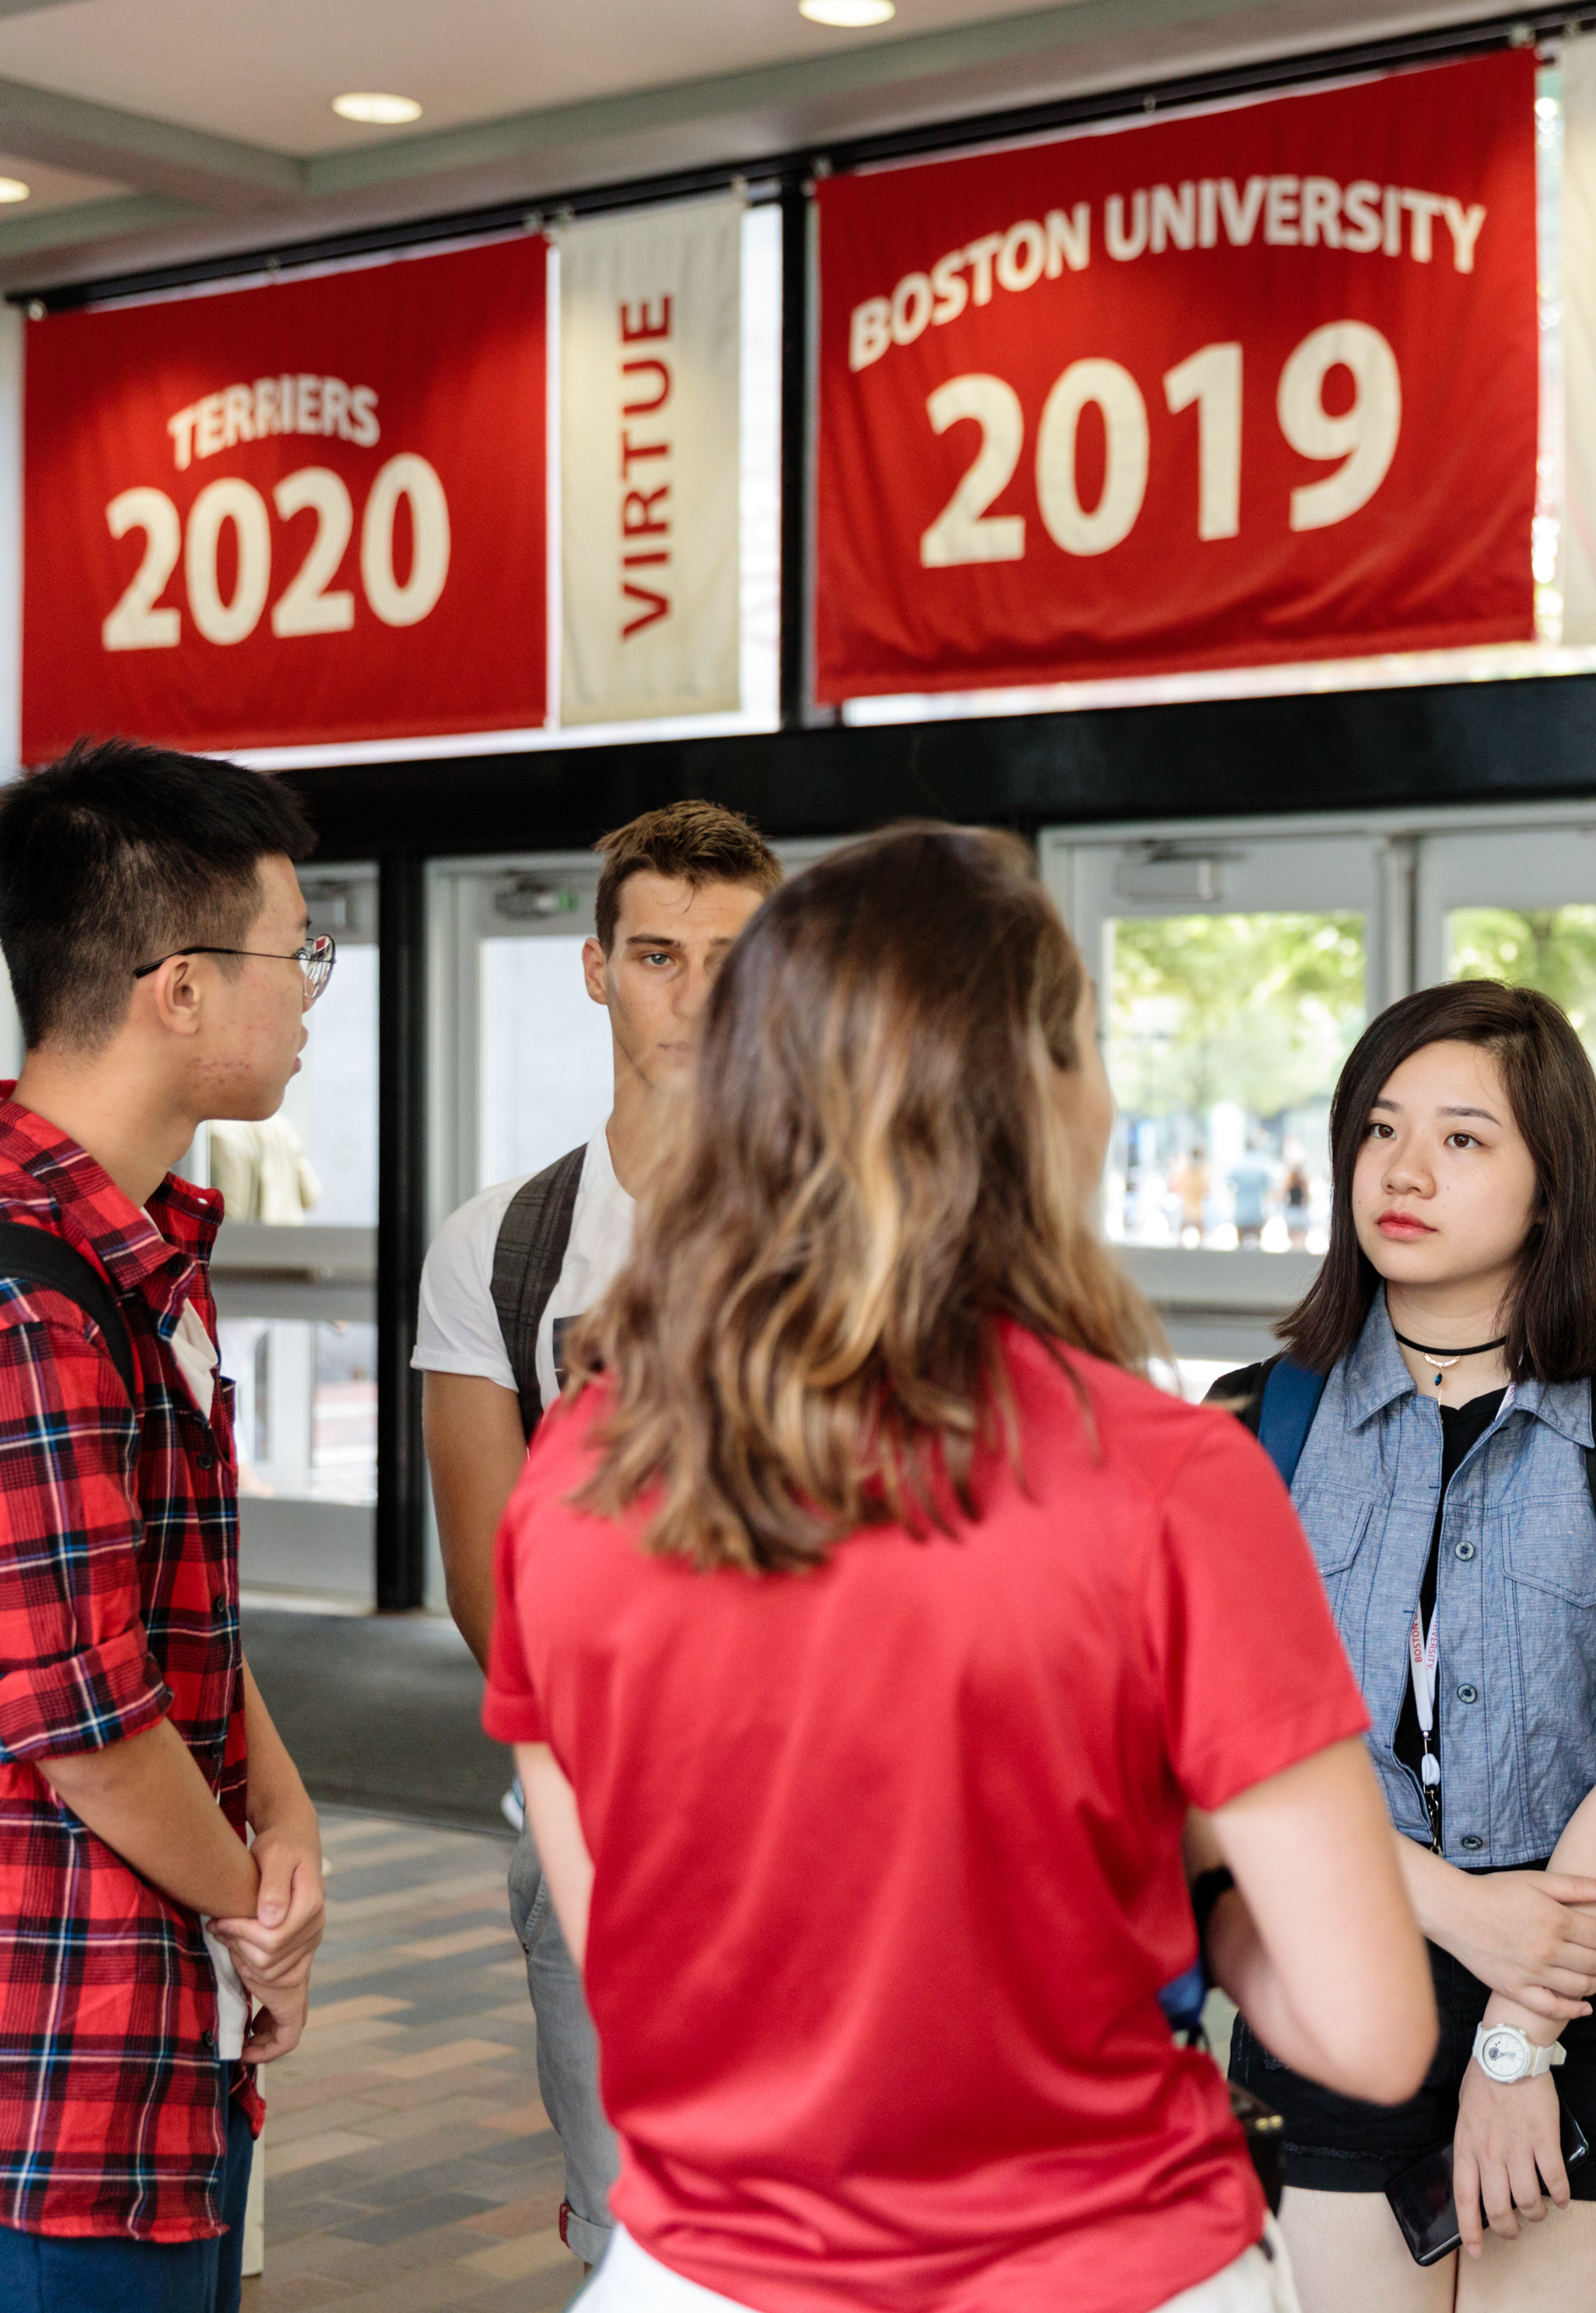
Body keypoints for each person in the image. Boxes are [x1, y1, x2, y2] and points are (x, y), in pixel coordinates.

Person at [481, 822, 1433, 2313]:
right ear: (1040, 1094)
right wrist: (1199, 1907)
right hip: (1113, 2268)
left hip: (701, 2275)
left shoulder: (582, 1470)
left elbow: (623, 1951)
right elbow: (1371, 2031)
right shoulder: (1172, 1479)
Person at [0, 739, 334, 2309]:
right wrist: (256, 1908)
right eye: (293, 951)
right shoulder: (14, 1303)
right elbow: (82, 1721)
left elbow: (149, 1624)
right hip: (21, 2090)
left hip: (138, 2060)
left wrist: (279, 1821)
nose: (308, 992)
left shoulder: (123, 1257)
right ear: (178, 987)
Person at [1209, 980, 1596, 2312]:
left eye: (1465, 1140)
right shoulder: (1247, 1432)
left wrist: (1518, 2038)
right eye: (1381, 1130)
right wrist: (1456, 1909)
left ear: (1551, 1183)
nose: (1405, 1171)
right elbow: (1214, 1763)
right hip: (1329, 1978)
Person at [411, 797, 781, 2265]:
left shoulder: (852, 1233)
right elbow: (484, 1581)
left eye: (729, 958)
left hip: (827, 1822)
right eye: (655, 955)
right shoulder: (504, 1244)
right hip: (601, 1822)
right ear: (593, 968)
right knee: (639, 2241)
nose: (690, 994)